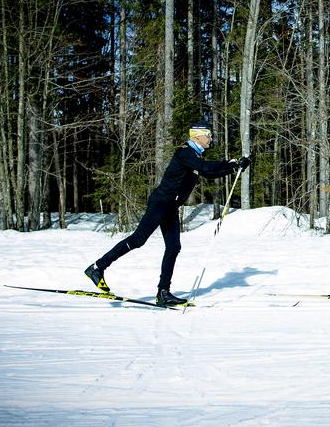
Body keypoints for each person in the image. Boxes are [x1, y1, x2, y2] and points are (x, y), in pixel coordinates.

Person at [85, 121, 250, 306]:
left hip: (171, 207)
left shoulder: (194, 155)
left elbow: (208, 173)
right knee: (138, 240)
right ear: (197, 135)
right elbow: (206, 167)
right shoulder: (185, 152)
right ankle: (97, 267)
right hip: (160, 203)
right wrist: (231, 164)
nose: (211, 139)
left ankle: (163, 292)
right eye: (208, 135)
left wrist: (233, 167)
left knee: (173, 247)